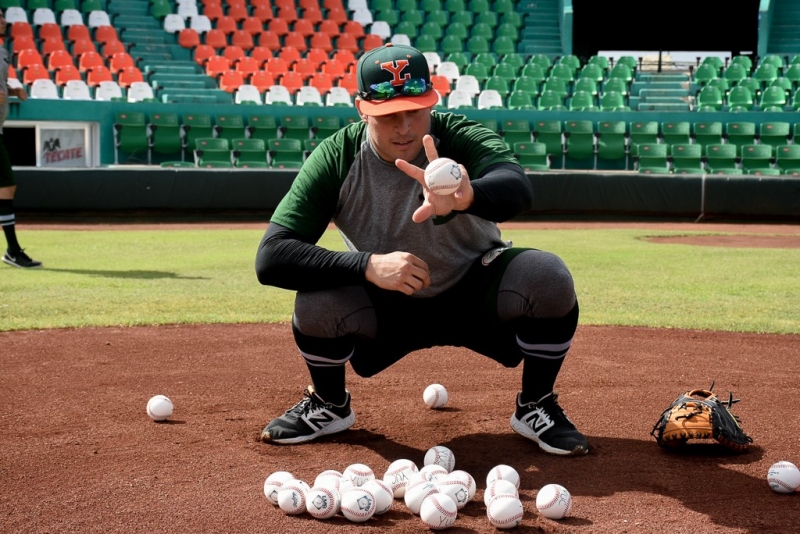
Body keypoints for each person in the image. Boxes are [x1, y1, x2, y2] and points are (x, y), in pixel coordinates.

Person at [255, 44, 587, 456]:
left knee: (548, 276)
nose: (405, 127)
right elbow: (271, 258)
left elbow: (517, 188)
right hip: (390, 297)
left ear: (433, 101)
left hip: (476, 288)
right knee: (317, 300)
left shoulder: (458, 134)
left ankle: (535, 403)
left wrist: (467, 196)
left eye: (415, 109)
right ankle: (330, 404)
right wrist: (366, 265)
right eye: (388, 115)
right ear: (361, 108)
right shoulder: (337, 157)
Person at [0, 10, 41, 268]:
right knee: (6, 186)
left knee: (6, 187)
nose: (4, 21)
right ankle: (13, 251)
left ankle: (12, 251)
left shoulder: (3, 51)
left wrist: (14, 90)